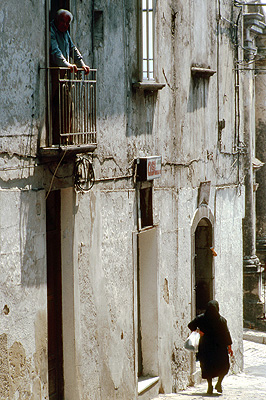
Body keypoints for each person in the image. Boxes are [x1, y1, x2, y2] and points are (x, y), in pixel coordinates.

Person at [188, 300, 233, 395]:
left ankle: (210, 386)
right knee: (224, 366)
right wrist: (229, 347)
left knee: (207, 366)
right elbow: (226, 334)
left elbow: (190, 325)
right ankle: (219, 383)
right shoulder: (222, 320)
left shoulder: (201, 318)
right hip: (219, 347)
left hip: (205, 347)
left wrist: (198, 332)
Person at [50, 9, 90, 74]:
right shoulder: (51, 30)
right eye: (62, 21)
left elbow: (72, 48)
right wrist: (68, 65)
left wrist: (82, 64)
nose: (65, 25)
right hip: (54, 71)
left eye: (67, 23)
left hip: (64, 71)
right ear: (56, 20)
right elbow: (55, 51)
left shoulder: (65, 32)